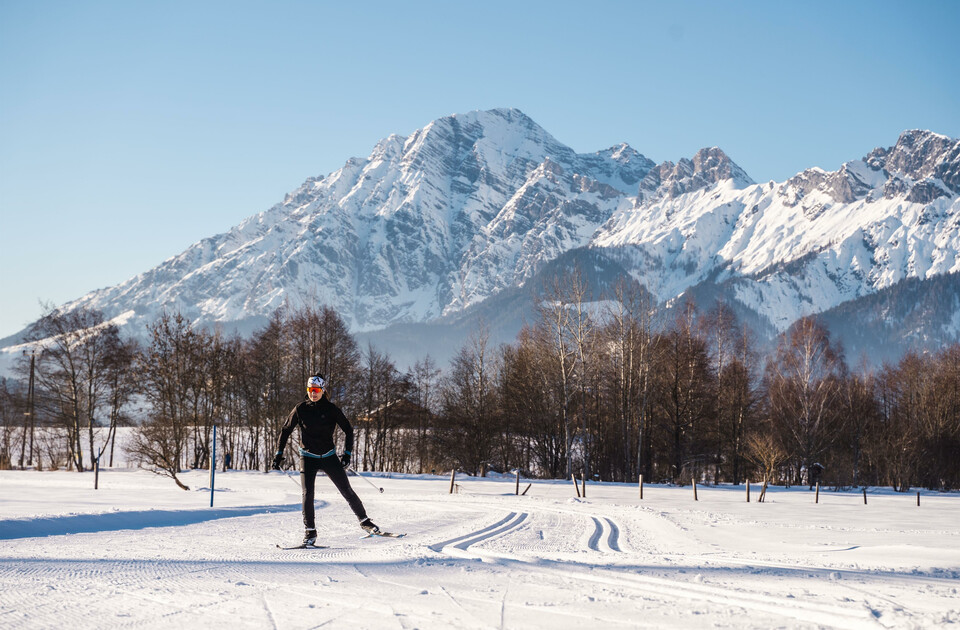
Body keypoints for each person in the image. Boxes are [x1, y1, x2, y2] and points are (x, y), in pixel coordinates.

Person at [273, 373, 380, 545]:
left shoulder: (331, 409)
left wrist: (347, 454)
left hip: (328, 456)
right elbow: (286, 430)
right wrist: (279, 454)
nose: (313, 393)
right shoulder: (300, 409)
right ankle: (310, 532)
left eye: (316, 390)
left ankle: (365, 521)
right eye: (310, 390)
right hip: (307, 457)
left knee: (346, 490)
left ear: (323, 390)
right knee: (307, 494)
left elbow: (349, 430)